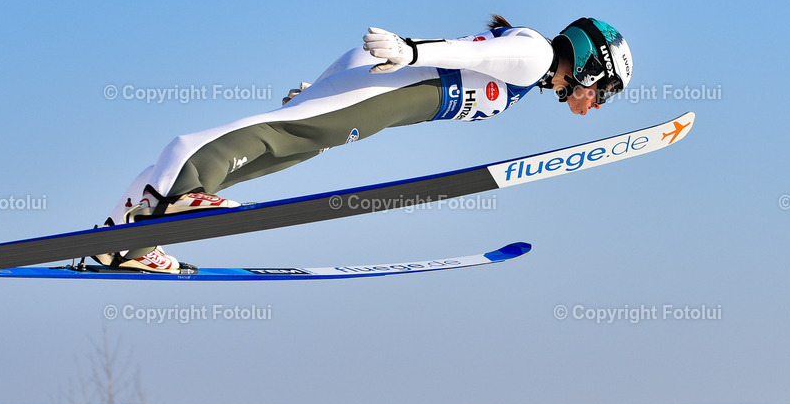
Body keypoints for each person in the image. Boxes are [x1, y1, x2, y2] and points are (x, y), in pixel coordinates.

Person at [94, 15, 634, 272]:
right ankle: (180, 189)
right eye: (603, 90)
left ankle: (125, 241)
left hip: (383, 87)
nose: (595, 102)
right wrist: (411, 50)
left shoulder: (532, 66)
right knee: (291, 135)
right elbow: (483, 58)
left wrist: (321, 89)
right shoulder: (536, 54)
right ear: (591, 66)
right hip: (394, 80)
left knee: (292, 144)